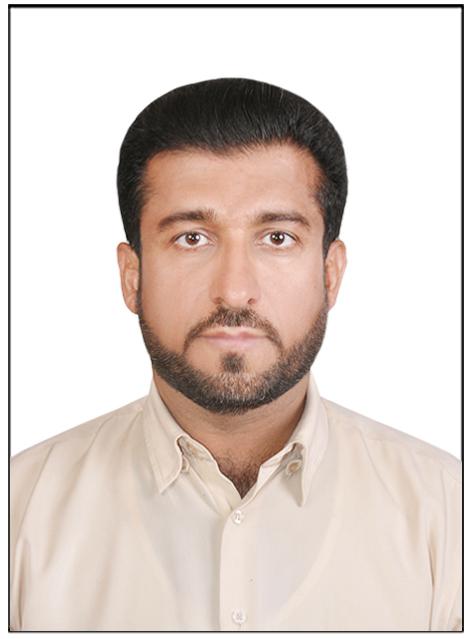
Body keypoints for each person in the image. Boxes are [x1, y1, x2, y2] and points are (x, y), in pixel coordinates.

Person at [10, 78, 461, 631]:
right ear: (132, 276)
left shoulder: (447, 512)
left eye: (277, 238)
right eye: (192, 238)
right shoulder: (19, 512)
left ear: (330, 274)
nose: (234, 290)